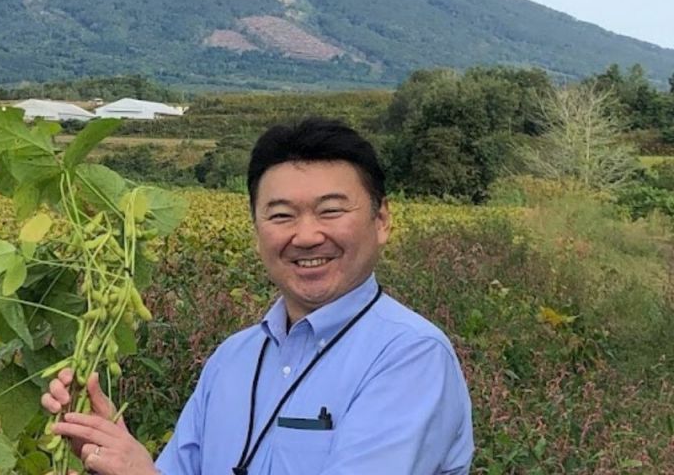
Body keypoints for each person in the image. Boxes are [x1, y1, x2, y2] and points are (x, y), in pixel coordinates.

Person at [43, 117, 474, 474]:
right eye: (281, 215)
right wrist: (109, 451)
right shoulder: (233, 359)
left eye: (331, 211)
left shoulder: (411, 356)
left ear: (381, 220)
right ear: (256, 231)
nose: (306, 236)